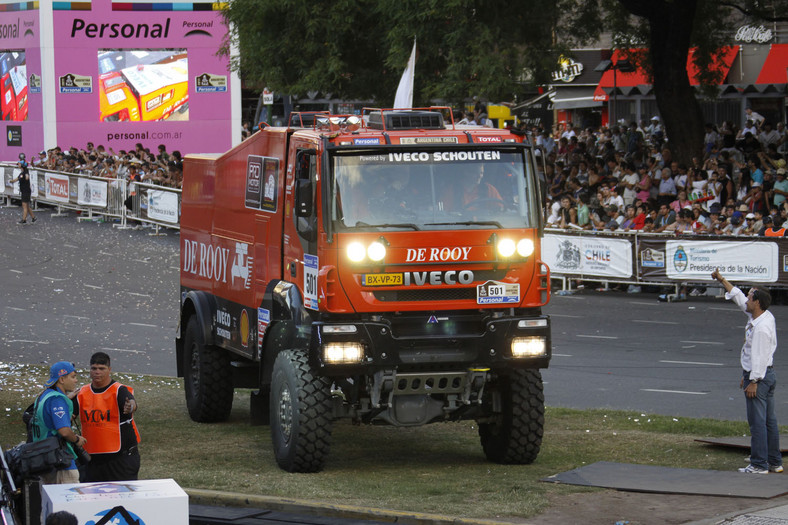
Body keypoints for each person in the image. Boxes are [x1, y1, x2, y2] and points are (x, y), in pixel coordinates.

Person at [711, 270, 782, 474]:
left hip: (759, 377)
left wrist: (753, 380)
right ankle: (774, 461)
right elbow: (739, 298)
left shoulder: (760, 328)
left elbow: (759, 356)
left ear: (757, 302)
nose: (747, 299)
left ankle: (759, 464)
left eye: (751, 296)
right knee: (769, 421)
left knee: (757, 423)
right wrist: (722, 280)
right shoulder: (763, 315)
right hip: (766, 375)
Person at [76, 352, 141, 482]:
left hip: (121, 460)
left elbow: (132, 402)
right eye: (94, 368)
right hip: (93, 461)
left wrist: (131, 406)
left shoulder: (119, 390)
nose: (97, 372)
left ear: (109, 370)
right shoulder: (82, 392)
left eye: (101, 368)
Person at [31, 361, 86, 484]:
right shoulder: (57, 399)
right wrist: (77, 439)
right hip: (60, 462)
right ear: (61, 379)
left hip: (45, 459)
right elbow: (64, 431)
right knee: (69, 502)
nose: (75, 380)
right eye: (73, 376)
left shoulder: (43, 395)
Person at [10, 153, 37, 224]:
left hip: (25, 191)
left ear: (22, 165)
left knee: (24, 205)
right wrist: (11, 181)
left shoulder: (24, 173)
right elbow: (17, 178)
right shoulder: (24, 172)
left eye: (19, 164)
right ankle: (33, 218)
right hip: (25, 190)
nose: (18, 165)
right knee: (27, 206)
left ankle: (24, 219)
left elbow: (21, 178)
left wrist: (13, 181)